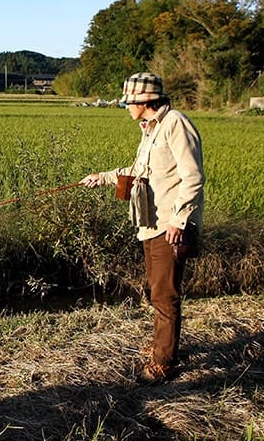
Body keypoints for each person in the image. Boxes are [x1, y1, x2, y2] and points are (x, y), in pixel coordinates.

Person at [79, 72, 205, 384]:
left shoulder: (175, 123)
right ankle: (164, 345)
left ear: (146, 101)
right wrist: (103, 177)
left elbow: (193, 177)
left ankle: (164, 361)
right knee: (155, 290)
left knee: (165, 294)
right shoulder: (150, 129)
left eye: (129, 102)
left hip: (169, 225)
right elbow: (139, 172)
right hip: (150, 224)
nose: (125, 107)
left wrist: (179, 220)